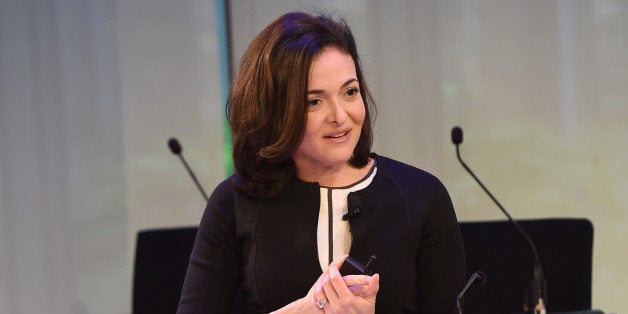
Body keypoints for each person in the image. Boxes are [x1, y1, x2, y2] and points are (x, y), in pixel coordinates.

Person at [177, 11, 465, 313]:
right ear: (274, 111)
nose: (340, 117)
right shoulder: (234, 202)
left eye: (350, 92)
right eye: (314, 101)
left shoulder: (422, 197)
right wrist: (307, 310)